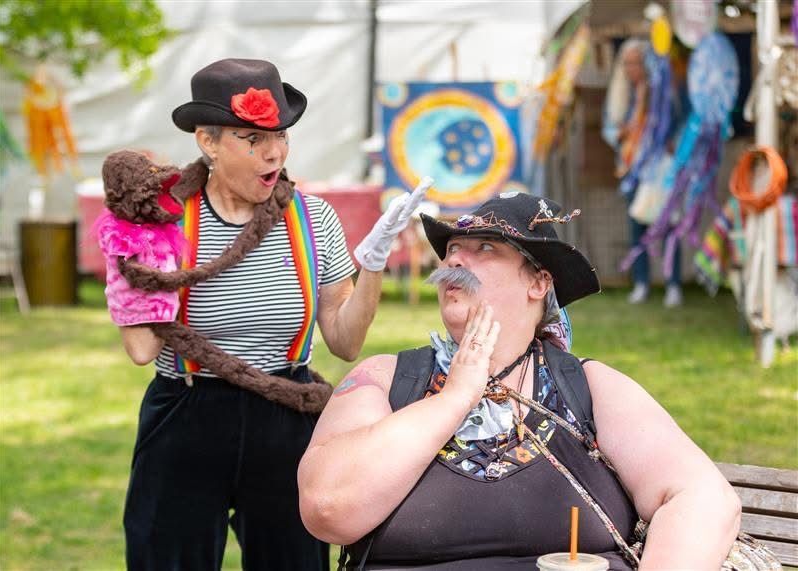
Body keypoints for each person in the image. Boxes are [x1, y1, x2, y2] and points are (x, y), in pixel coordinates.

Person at [298, 192, 740, 570]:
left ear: (538, 283)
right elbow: (327, 508)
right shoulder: (386, 380)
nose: (454, 258)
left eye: (486, 247)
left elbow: (701, 498)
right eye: (452, 248)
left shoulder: (588, 388)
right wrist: (453, 399)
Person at [111, 58, 428, 570]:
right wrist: (130, 256)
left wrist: (373, 264)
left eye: (280, 135)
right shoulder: (163, 222)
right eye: (252, 139)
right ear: (207, 142)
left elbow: (346, 341)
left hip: (284, 413)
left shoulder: (312, 217)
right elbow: (141, 350)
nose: (275, 151)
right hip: (186, 413)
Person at [602, 39, 683, 307]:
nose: (631, 68)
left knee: (669, 224)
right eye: (626, 63)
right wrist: (621, 134)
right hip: (632, 169)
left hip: (660, 169)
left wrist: (673, 143)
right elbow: (610, 129)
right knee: (637, 226)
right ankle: (641, 283)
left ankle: (673, 285)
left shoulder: (663, 93)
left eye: (636, 62)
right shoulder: (620, 96)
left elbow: (677, 124)